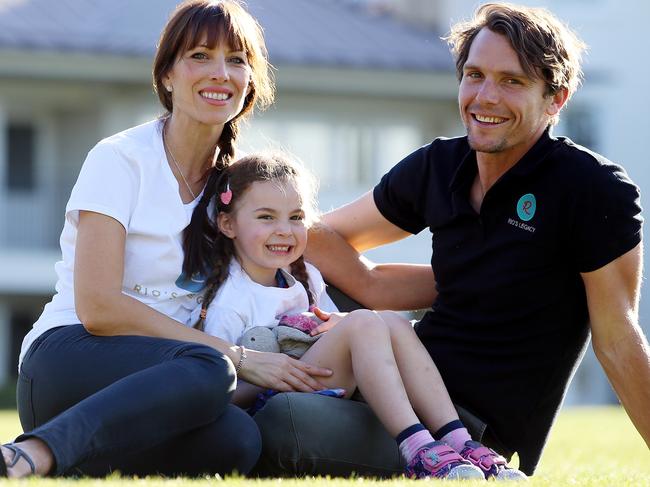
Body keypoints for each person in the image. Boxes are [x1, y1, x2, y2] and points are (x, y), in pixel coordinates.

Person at [255, 2, 650, 477]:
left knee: (280, 419)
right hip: (404, 386)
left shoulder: (593, 189)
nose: (485, 97)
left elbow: (618, 342)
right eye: (475, 75)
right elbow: (318, 235)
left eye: (512, 81)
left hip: (476, 427)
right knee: (305, 293)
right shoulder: (439, 166)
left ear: (556, 99)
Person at [0, 0, 334, 478]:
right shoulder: (120, 159)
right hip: (67, 358)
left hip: (169, 380)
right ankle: (33, 453)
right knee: (213, 370)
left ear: (251, 83)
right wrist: (234, 356)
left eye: (236, 60)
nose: (220, 73)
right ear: (168, 76)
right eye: (200, 56)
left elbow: (305, 240)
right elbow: (98, 307)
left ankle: (77, 459)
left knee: (239, 440)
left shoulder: (240, 186)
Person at [185, 152, 525, 480]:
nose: (285, 230)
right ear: (228, 224)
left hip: (327, 381)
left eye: (296, 217)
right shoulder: (230, 303)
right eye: (266, 217)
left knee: (390, 320)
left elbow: (338, 332)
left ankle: (458, 439)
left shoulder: (306, 277)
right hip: (273, 401)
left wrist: (339, 326)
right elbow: (222, 391)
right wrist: (270, 370)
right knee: (364, 320)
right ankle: (417, 448)